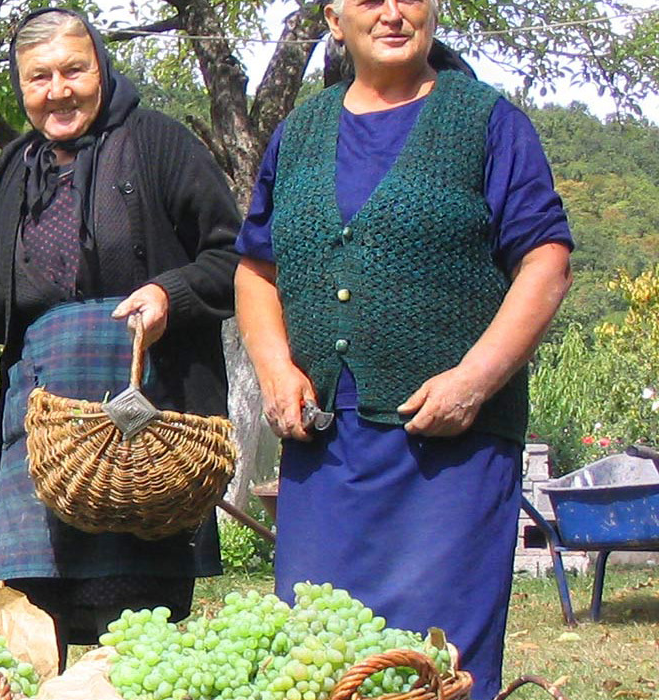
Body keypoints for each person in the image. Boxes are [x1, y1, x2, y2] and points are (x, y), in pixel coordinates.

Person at [234, 0, 573, 694]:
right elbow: (255, 270)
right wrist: (274, 368)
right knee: (317, 655)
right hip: (323, 452)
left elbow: (546, 260)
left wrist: (474, 379)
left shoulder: (486, 122)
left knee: (438, 664)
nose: (392, 12)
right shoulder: (298, 132)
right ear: (333, 19)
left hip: (451, 455)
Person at [0, 8, 238, 659]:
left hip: (138, 432)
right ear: (20, 86)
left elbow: (237, 260)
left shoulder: (160, 144)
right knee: (32, 644)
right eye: (39, 77)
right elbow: (4, 310)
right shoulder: (11, 172)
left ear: (102, 70)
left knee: (135, 651)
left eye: (74, 70)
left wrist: (171, 293)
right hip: (42, 439)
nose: (57, 90)